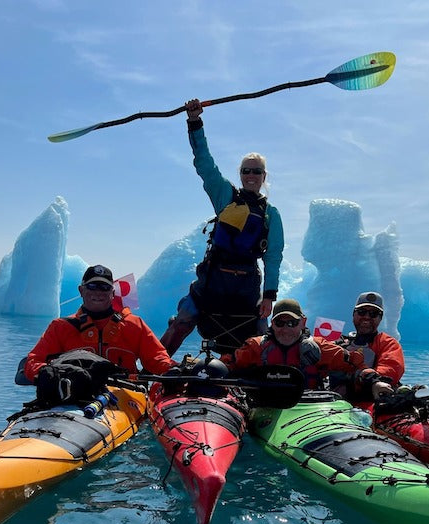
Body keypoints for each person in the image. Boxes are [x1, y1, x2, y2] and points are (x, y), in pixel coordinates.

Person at [159, 98, 285, 356]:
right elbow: (204, 164)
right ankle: (152, 371)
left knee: (260, 336)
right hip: (213, 280)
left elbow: (273, 257)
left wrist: (269, 295)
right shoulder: (226, 197)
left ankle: (257, 384)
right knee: (182, 321)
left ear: (264, 176)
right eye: (247, 170)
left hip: (246, 286)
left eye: (257, 171)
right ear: (240, 173)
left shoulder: (271, 214)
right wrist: (195, 122)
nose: (251, 175)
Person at [24, 264, 175, 382]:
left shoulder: (134, 325)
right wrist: (46, 373)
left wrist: (173, 370)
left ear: (112, 293)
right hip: (73, 395)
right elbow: (33, 361)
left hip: (124, 399)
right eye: (92, 286)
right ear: (81, 290)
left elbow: (157, 358)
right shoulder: (60, 327)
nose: (98, 292)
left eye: (104, 287)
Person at [221, 299, 363, 389]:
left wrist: (373, 380)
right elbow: (228, 364)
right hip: (263, 412)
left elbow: (355, 363)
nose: (286, 329)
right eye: (280, 323)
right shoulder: (256, 347)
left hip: (308, 416)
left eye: (292, 323)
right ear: (272, 324)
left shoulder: (320, 348)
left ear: (303, 322)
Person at [331, 291, 405, 401]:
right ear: (354, 314)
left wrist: (354, 381)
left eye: (373, 313)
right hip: (336, 405)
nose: (366, 317)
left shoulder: (387, 343)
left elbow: (389, 371)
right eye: (361, 312)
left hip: (370, 404)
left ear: (380, 318)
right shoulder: (340, 343)